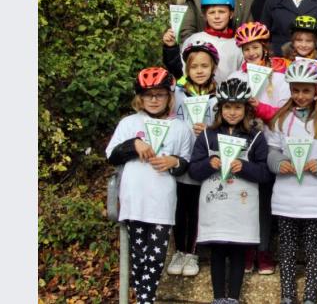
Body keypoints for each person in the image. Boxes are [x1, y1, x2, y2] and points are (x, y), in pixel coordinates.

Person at [106, 67, 194, 304]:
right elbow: (111, 155)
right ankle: (145, 298)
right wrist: (133, 144)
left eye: (160, 94)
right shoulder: (128, 123)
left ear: (169, 97)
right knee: (139, 256)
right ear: (140, 97)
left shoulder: (181, 128)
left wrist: (173, 161)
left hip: (162, 202)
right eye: (148, 95)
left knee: (155, 258)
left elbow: (186, 162)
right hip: (134, 200)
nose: (154, 100)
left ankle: (147, 299)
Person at [188, 78, 271, 303]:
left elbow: (265, 173)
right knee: (217, 252)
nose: (232, 112)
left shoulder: (256, 137)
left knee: (237, 252)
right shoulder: (207, 135)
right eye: (227, 107)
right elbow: (194, 170)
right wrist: (209, 164)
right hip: (215, 206)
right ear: (219, 109)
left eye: (237, 107)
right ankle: (218, 298)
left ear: (246, 109)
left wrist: (244, 167)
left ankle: (233, 297)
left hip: (241, 207)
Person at [265, 61, 317, 304]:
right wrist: (278, 163)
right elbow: (272, 150)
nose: (300, 96)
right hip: (286, 197)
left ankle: (310, 296)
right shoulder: (280, 119)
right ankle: (287, 295)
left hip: (315, 198)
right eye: (296, 90)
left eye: (306, 90)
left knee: (312, 250)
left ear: (316, 91)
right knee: (286, 250)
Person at [167, 41, 220, 278]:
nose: (199, 71)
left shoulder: (219, 95)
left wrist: (210, 129)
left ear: (213, 67)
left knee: (199, 209)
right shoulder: (177, 93)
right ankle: (180, 250)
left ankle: (193, 252)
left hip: (205, 161)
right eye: (194, 66)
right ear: (186, 69)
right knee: (181, 208)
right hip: (180, 159)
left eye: (204, 66)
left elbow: (227, 125)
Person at [165, 0, 243, 83]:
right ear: (205, 15)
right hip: (198, 96)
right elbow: (180, 71)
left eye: (222, 12)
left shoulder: (238, 45)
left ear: (231, 14)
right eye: (211, 12)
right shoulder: (194, 40)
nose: (217, 17)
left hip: (229, 96)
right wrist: (170, 49)